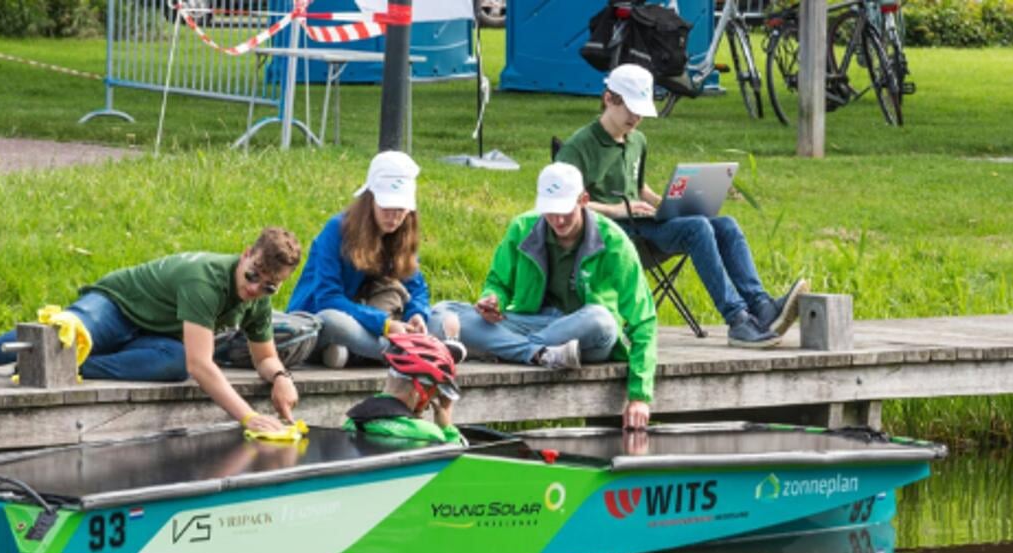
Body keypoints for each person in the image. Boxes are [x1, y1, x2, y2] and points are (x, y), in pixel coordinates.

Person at [0, 228, 303, 433]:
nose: (255, 289)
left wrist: (281, 378)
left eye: (268, 286)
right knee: (62, 334)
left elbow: (264, 356)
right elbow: (203, 365)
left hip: (152, 334)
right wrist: (249, 418)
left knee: (174, 362)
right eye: (253, 276)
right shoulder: (206, 280)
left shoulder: (258, 300)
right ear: (245, 254)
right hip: (116, 306)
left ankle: (71, 368)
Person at [555, 63, 809, 349]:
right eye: (630, 109)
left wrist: (671, 204)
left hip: (645, 225)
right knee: (698, 229)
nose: (636, 117)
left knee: (726, 225)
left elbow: (639, 188)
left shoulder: (637, 140)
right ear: (609, 99)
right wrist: (618, 210)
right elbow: (563, 207)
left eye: (641, 110)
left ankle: (761, 307)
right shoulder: (579, 147)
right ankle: (737, 319)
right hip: (613, 235)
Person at [431, 163, 656, 430]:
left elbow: (644, 321)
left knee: (601, 318)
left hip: (585, 336)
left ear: (583, 200)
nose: (558, 221)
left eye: (565, 212)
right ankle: (537, 353)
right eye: (550, 212)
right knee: (441, 314)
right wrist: (493, 300)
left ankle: (507, 348)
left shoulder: (614, 242)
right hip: (534, 325)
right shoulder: (522, 228)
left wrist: (639, 395)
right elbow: (497, 283)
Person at [287, 151, 432, 369]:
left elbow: (417, 288)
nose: (393, 217)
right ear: (370, 199)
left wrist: (417, 314)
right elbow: (327, 299)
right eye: (386, 208)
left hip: (377, 319)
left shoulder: (402, 236)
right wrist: (383, 325)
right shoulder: (336, 229)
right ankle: (402, 353)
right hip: (323, 318)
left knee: (439, 317)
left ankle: (362, 352)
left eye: (400, 209)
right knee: (333, 321)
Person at [343, 333, 464, 444]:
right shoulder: (426, 433)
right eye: (432, 397)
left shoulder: (353, 421)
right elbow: (457, 461)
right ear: (418, 391)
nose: (427, 407)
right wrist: (447, 427)